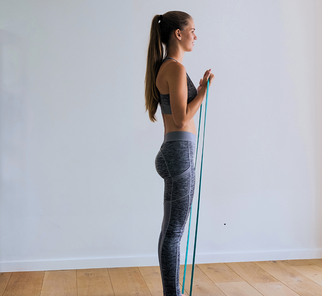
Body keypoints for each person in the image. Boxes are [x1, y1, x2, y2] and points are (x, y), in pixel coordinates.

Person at [144, 11, 214, 296]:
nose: (195, 36)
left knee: (171, 230)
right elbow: (183, 118)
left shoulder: (167, 68)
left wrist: (198, 90)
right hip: (179, 154)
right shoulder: (173, 68)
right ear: (178, 34)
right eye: (192, 30)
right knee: (174, 232)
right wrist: (203, 92)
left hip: (175, 152)